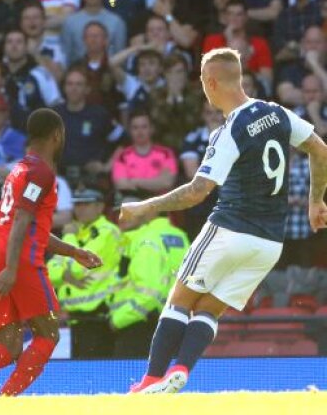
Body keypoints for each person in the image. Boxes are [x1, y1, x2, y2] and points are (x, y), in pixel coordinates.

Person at [121, 47, 327, 393]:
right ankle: (182, 370)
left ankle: (151, 379)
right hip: (269, 243)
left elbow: (197, 191)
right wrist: (316, 201)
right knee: (209, 309)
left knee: (179, 300)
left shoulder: (229, 131)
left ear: (210, 82)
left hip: (230, 229)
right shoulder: (277, 113)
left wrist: (144, 207)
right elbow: (320, 149)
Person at [0, 108, 102, 397]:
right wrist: (12, 268)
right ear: (57, 135)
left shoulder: (18, 170)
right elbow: (21, 221)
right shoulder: (41, 172)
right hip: (18, 260)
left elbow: (31, 226)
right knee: (48, 334)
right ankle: (5, 401)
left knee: (10, 346)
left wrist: (72, 251)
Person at [110, 195, 189, 358]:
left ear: (149, 210)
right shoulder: (179, 235)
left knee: (132, 379)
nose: (122, 217)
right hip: (173, 317)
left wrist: (118, 319)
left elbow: (149, 292)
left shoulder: (144, 237)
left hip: (138, 322)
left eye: (129, 211)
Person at [46, 187, 122, 358]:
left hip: (99, 312)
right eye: (78, 205)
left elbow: (79, 266)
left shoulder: (108, 232)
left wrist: (68, 239)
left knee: (99, 371)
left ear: (100, 207)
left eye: (86, 204)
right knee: (81, 370)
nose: (80, 209)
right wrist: (63, 275)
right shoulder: (77, 231)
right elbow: (50, 271)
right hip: (76, 314)